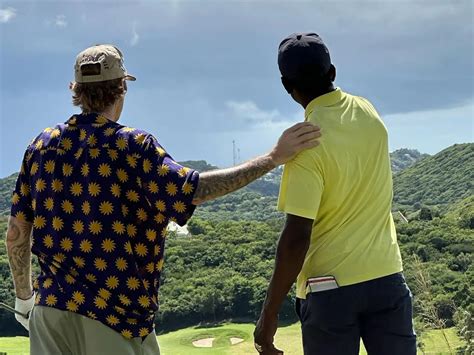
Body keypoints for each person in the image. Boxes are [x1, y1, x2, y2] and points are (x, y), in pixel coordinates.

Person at [6, 44, 321, 355]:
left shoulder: (42, 145)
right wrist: (272, 158)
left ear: (76, 91)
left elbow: (17, 234)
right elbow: (193, 190)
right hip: (114, 318)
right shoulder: (134, 147)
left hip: (50, 313)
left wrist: (24, 300)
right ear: (121, 90)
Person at [253, 33, 416, 355]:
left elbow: (297, 236)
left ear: (287, 86)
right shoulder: (368, 112)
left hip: (330, 290)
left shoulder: (304, 144)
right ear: (333, 72)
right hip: (387, 276)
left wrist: (269, 315)